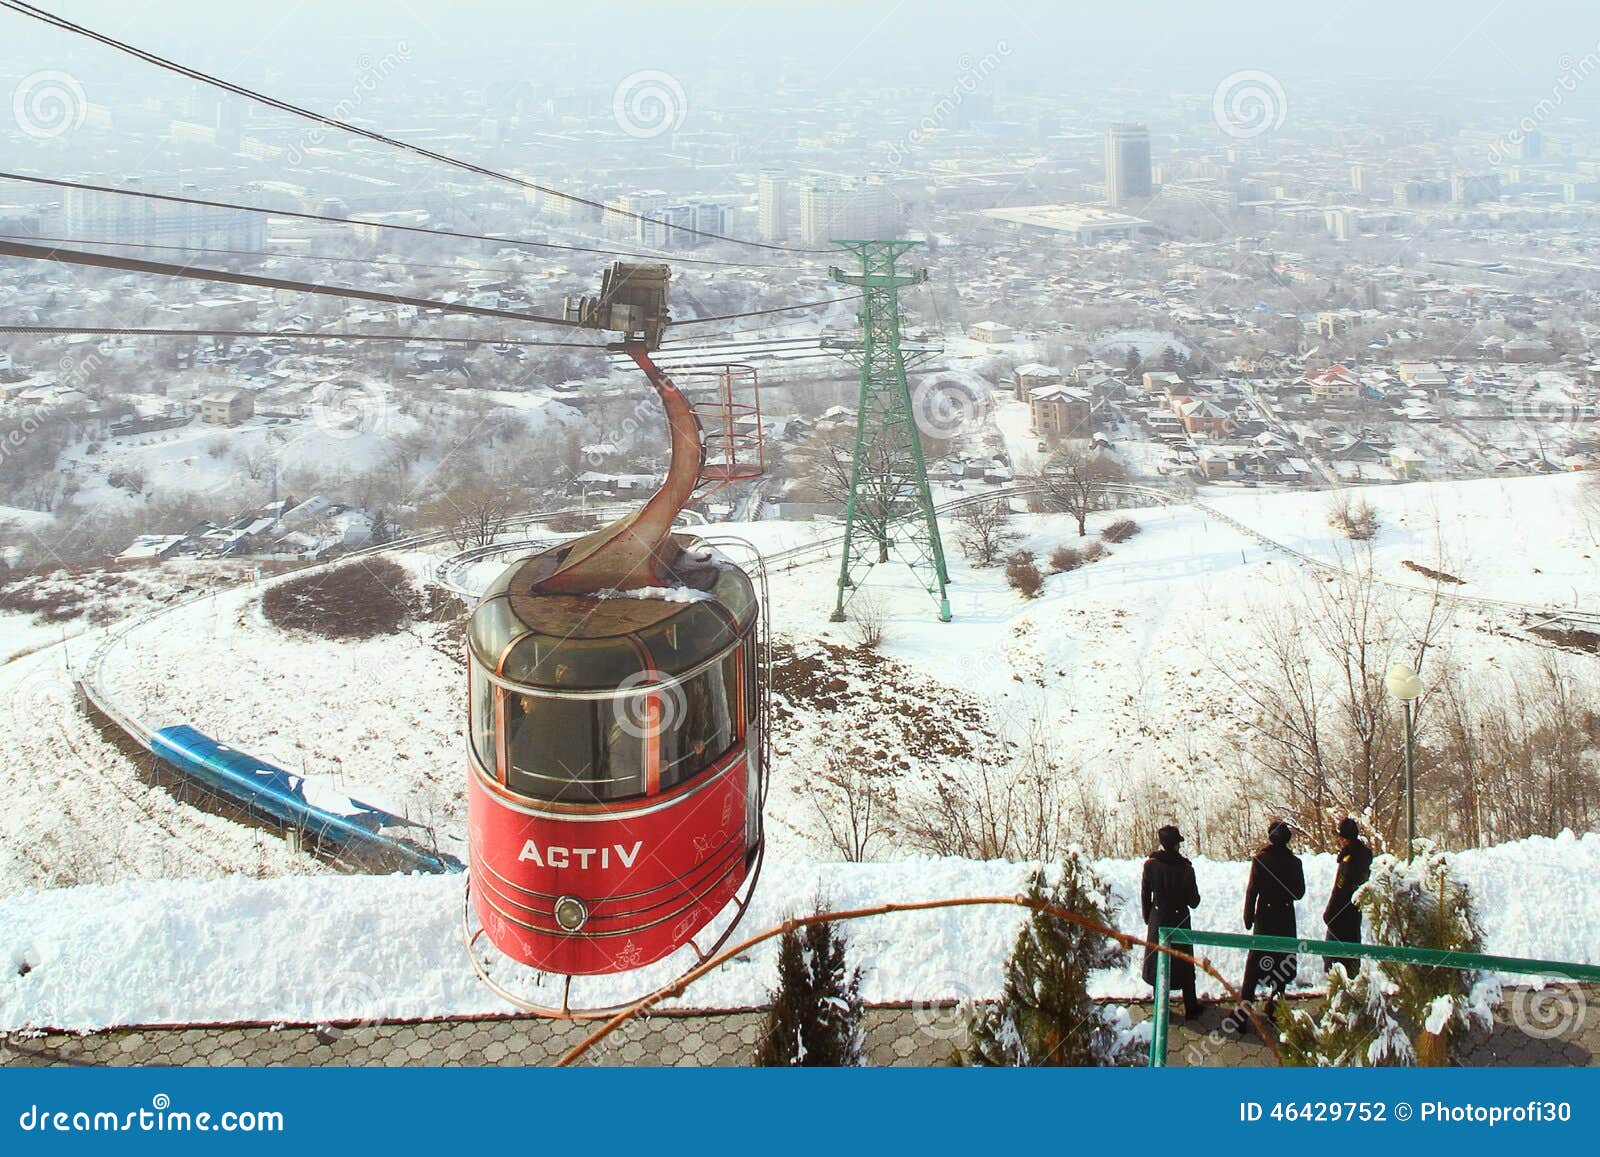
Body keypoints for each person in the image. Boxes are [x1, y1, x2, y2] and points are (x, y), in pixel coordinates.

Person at [1240, 820, 1305, 1014]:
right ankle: (1275, 1007)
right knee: (1282, 961)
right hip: (1284, 916)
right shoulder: (1294, 862)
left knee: (1254, 964)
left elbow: (1252, 890)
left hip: (1264, 917)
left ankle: (1244, 1009)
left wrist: (1248, 916)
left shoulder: (1260, 860)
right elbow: (1299, 893)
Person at [1141, 824, 1203, 1020]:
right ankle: (1191, 1007)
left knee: (1159, 961)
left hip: (1157, 920)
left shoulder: (1150, 865)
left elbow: (1145, 895)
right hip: (1180, 920)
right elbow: (1194, 902)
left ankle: (1161, 1007)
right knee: (1183, 962)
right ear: (1176, 845)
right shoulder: (1185, 868)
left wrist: (1148, 918)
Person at [1322, 816, 1374, 976]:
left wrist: (1329, 915)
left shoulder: (1348, 859)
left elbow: (1340, 889)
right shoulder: (1364, 856)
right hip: (1354, 913)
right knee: (1351, 957)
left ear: (1344, 839)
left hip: (1340, 917)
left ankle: (1341, 993)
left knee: (1335, 960)